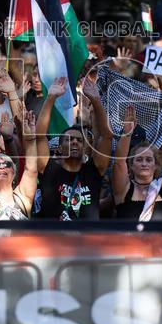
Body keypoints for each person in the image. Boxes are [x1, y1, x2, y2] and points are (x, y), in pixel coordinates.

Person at [35, 76, 111, 220]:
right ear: (59, 148)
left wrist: (96, 100)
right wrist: (50, 98)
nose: (75, 142)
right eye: (69, 140)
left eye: (79, 140)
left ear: (84, 147)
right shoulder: (49, 169)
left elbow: (106, 137)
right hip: (54, 240)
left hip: (86, 240)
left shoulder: (93, 170)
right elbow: (40, 136)